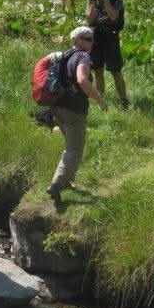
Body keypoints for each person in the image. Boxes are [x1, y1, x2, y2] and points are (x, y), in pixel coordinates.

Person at [46, 26, 109, 202]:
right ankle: (55, 185)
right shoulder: (83, 56)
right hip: (74, 108)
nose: (92, 42)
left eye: (92, 39)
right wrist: (100, 100)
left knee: (73, 145)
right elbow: (82, 80)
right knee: (73, 149)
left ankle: (66, 181)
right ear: (78, 40)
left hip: (58, 106)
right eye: (88, 39)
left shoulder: (64, 56)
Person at [86, 0, 128, 109]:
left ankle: (124, 101)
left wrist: (105, 0)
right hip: (96, 37)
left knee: (115, 71)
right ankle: (100, 100)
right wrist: (92, 3)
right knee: (98, 70)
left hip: (110, 37)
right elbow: (89, 19)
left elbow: (114, 17)